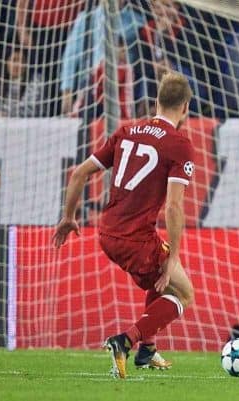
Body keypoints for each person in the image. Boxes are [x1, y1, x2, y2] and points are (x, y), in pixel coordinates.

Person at [53, 72, 195, 379]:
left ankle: (148, 350)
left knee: (160, 275)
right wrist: (173, 259)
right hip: (135, 239)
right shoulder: (178, 144)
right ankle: (125, 341)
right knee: (183, 293)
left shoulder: (127, 130)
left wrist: (68, 216)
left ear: (157, 100)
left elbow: (78, 173)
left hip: (106, 233)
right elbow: (173, 206)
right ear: (185, 106)